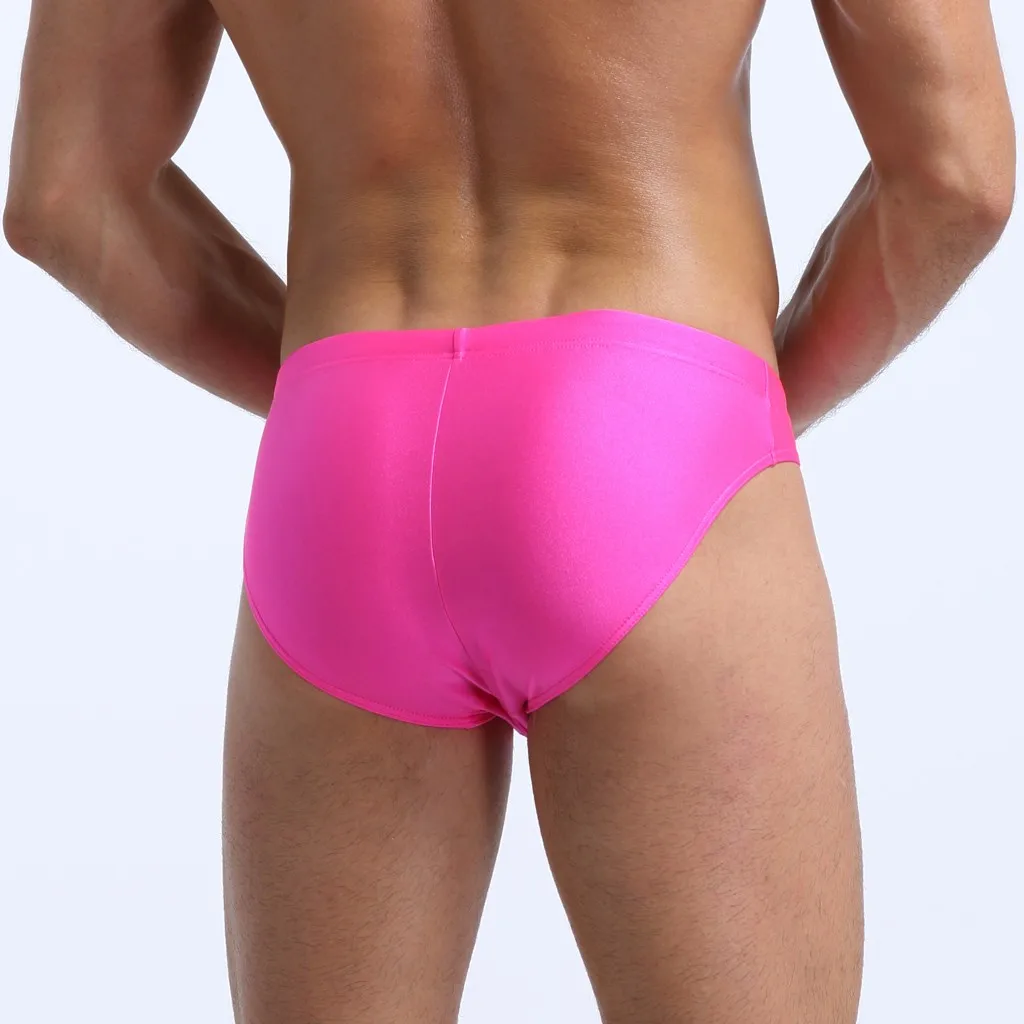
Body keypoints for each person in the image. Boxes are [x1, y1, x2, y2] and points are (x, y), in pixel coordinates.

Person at [4, 0, 1014, 1020]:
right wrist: (719, 413)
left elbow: (64, 194)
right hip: (647, 420)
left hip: (344, 462)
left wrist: (346, 398)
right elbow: (957, 175)